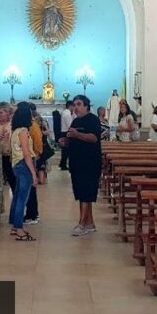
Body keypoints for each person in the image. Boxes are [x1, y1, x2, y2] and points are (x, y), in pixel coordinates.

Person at [61, 94, 102, 236]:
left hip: (89, 162)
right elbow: (71, 139)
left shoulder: (93, 120)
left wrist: (77, 135)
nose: (76, 107)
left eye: (79, 104)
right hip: (76, 162)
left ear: (86, 106)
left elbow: (93, 138)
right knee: (82, 193)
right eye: (74, 104)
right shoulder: (75, 121)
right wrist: (64, 141)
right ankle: (90, 224)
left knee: (86, 193)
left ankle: (82, 224)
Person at [9, 106, 37, 241]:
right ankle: (19, 228)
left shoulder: (15, 131)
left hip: (16, 164)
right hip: (24, 165)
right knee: (22, 198)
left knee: (17, 196)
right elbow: (26, 153)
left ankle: (15, 226)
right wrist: (34, 173)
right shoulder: (24, 131)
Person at [20, 102, 41, 224]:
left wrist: (36, 155)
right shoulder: (26, 126)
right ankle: (31, 213)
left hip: (30, 158)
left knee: (30, 188)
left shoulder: (32, 126)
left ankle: (32, 214)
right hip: (27, 158)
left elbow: (37, 143)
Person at [0, 103, 14, 191]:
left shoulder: (11, 125)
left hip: (8, 155)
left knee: (12, 179)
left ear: (8, 113)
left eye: (1, 113)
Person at [58, 100, 74, 170]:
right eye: (73, 106)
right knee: (67, 150)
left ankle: (62, 164)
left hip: (64, 132)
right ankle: (64, 165)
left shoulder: (66, 112)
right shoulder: (67, 113)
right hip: (66, 132)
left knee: (65, 150)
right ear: (70, 106)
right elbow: (70, 125)